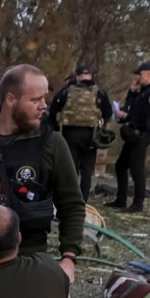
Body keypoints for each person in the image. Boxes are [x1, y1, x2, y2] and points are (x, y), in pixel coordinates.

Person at [0, 64, 84, 284]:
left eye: (44, 98)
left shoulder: (52, 144)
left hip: (32, 258)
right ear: (11, 100)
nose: (43, 106)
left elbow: (71, 204)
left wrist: (68, 259)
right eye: (35, 100)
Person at [108, 61, 150, 212]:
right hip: (133, 134)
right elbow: (131, 109)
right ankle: (121, 199)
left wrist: (127, 116)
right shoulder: (143, 92)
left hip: (141, 135)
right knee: (121, 166)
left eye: (140, 75)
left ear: (149, 74)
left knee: (137, 170)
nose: (138, 78)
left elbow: (146, 118)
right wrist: (132, 93)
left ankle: (138, 203)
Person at [48, 67, 113, 201]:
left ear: (77, 77)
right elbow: (108, 112)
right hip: (91, 136)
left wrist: (55, 129)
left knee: (71, 169)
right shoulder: (99, 92)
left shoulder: (67, 91)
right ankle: (83, 200)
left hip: (69, 134)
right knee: (87, 171)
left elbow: (53, 111)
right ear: (90, 76)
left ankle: (69, 198)